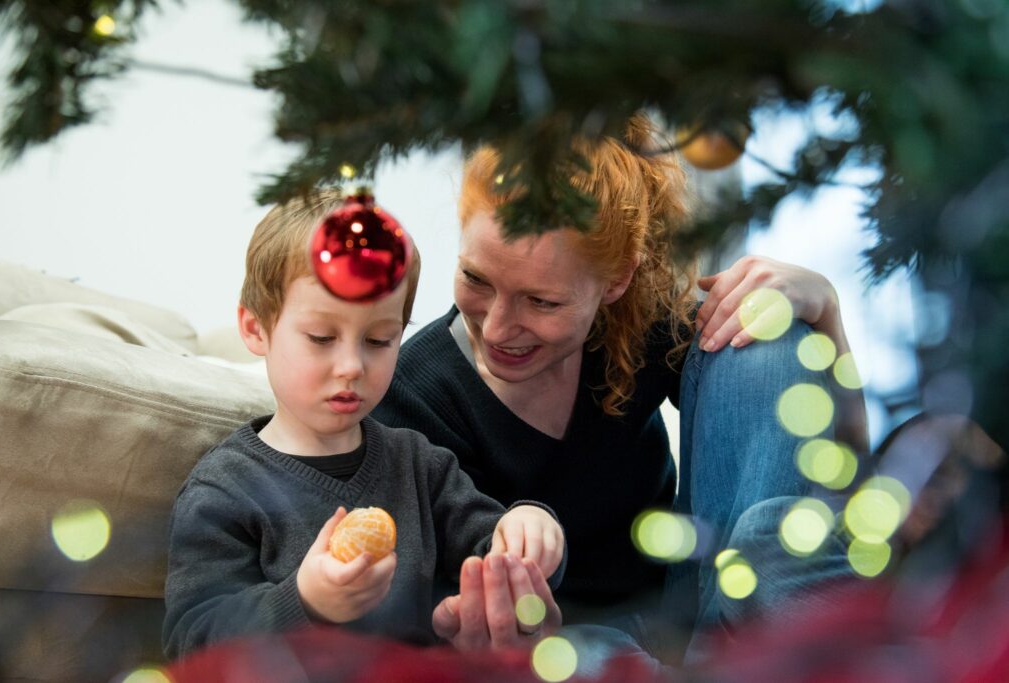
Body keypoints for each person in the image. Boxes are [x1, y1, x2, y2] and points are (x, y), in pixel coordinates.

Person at [372, 114, 867, 661]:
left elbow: (853, 475)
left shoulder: (640, 325)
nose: (495, 328)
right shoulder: (411, 393)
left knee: (763, 336)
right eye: (476, 279)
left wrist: (827, 311)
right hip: (567, 648)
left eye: (542, 301)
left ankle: (754, 637)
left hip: (702, 606)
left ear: (616, 282)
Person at [162, 191, 566, 659]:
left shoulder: (419, 464)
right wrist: (305, 601)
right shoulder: (226, 487)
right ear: (256, 329)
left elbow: (493, 547)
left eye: (379, 339)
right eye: (322, 337)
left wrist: (532, 531)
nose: (352, 365)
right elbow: (190, 643)